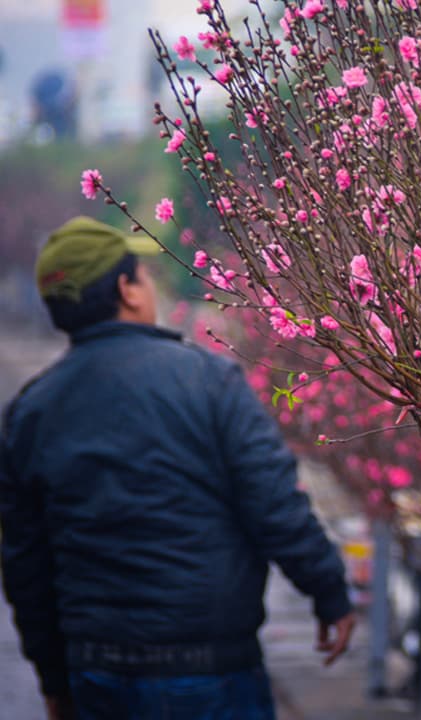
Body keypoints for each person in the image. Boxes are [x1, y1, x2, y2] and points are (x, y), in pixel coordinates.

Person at [0, 216, 356, 720]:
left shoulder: (31, 412)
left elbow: (24, 563)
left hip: (96, 673)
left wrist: (54, 680)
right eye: (143, 275)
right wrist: (329, 592)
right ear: (127, 289)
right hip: (211, 670)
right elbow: (274, 504)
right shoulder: (208, 381)